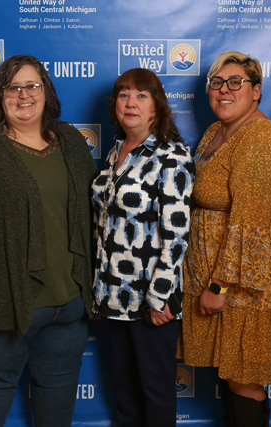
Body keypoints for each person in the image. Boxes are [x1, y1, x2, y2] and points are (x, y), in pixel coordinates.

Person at [0, 54, 98, 427]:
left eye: (32, 86)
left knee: (57, 404)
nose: (24, 95)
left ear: (46, 92)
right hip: (0, 304)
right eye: (13, 87)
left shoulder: (72, 141)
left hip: (68, 307)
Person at [177, 51, 271, 426]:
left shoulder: (262, 138)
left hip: (242, 288)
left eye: (235, 83)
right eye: (216, 83)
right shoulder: (216, 132)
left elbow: (250, 224)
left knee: (244, 380)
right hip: (212, 278)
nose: (223, 90)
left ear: (256, 91)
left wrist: (219, 285)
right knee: (230, 376)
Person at [91, 68, 194, 427]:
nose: (130, 102)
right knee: (124, 393)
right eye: (123, 95)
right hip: (112, 294)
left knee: (155, 391)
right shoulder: (116, 151)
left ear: (157, 107)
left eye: (141, 96)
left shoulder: (172, 156)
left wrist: (160, 296)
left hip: (152, 299)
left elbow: (177, 233)